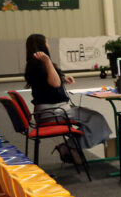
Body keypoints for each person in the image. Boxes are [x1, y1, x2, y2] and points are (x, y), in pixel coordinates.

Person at [23, 33, 112, 162]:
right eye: (47, 43)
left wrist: (63, 78)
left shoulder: (33, 65)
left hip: (47, 110)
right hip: (53, 112)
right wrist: (48, 61)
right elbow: (55, 83)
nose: (48, 45)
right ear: (41, 45)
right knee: (96, 118)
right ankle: (70, 147)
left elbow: (46, 82)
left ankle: (71, 147)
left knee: (92, 118)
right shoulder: (41, 65)